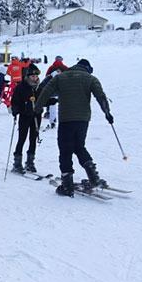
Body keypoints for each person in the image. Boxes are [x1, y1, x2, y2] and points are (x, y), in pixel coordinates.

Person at [35, 59, 112, 196]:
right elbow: (100, 96)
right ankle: (94, 177)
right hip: (83, 120)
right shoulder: (91, 78)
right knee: (79, 146)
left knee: (65, 150)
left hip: (66, 119)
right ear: (87, 68)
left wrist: (38, 108)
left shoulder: (60, 77)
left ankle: (67, 185)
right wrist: (107, 113)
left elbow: (45, 92)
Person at [10, 65, 49, 173]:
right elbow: (15, 101)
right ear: (28, 76)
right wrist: (15, 109)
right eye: (32, 75)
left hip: (36, 116)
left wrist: (50, 102)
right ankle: (17, 162)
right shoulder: (21, 87)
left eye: (36, 75)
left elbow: (43, 100)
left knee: (33, 139)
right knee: (22, 139)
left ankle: (30, 162)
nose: (35, 77)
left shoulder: (39, 87)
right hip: (25, 115)